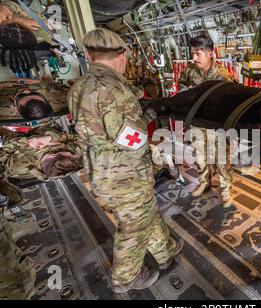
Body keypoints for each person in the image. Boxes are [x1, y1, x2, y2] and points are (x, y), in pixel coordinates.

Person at [67, 28, 184, 293]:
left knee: (146, 211)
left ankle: (165, 250)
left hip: (101, 169)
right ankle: (125, 277)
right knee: (135, 224)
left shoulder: (78, 86)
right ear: (122, 55)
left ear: (89, 55)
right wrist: (156, 143)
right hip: (124, 174)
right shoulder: (114, 89)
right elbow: (132, 138)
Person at [179, 35, 235, 208]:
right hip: (196, 123)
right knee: (201, 157)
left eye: (198, 53)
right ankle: (204, 182)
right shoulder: (189, 71)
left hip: (217, 126)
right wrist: (186, 92)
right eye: (192, 53)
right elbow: (181, 86)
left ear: (210, 53)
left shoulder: (222, 74)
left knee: (221, 160)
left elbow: (232, 100)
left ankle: (225, 191)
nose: (194, 58)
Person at [0, 127, 82, 181]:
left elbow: (3, 153)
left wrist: (27, 142)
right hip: (37, 130)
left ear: (54, 154)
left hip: (11, 141)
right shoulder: (72, 157)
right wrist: (50, 138)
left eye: (69, 153)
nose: (73, 154)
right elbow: (79, 138)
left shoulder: (18, 167)